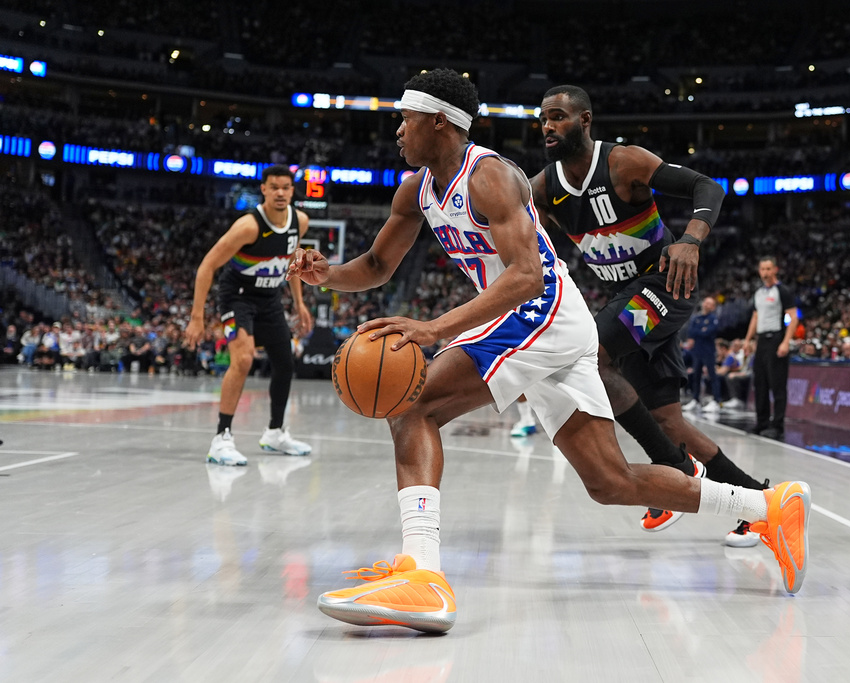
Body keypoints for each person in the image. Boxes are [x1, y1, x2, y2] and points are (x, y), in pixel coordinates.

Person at [288, 69, 811, 634]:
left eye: (406, 118)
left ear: (438, 121)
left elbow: (526, 277)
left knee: (413, 404)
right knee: (609, 483)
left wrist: (437, 328)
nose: (398, 129)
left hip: (539, 311)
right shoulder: (416, 189)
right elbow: (376, 266)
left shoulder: (489, 176)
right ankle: (770, 509)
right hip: (552, 324)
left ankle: (423, 574)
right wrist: (326, 275)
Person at [530, 85, 768, 538]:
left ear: (585, 120)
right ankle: (759, 502)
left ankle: (673, 470)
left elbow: (707, 186)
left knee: (592, 353)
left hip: (664, 287)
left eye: (558, 116)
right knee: (667, 420)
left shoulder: (624, 162)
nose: (547, 126)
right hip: (624, 301)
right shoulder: (542, 188)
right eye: (543, 118)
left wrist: (691, 240)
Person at [184, 165, 314, 466]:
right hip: (237, 298)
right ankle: (221, 438)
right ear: (264, 190)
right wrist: (196, 316)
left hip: (269, 299)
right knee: (242, 360)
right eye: (274, 187)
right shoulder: (249, 226)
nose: (280, 192)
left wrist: (299, 302)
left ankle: (276, 432)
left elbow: (292, 261)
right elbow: (207, 266)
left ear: (292, 191)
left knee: (284, 362)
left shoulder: (300, 222)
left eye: (286, 187)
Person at [742, 257, 797, 439]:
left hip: (776, 337)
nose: (765, 272)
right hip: (761, 341)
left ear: (775, 270)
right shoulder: (758, 293)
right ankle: (762, 422)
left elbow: (793, 317)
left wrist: (786, 342)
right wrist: (748, 340)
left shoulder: (783, 291)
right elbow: (755, 317)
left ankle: (778, 425)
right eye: (762, 269)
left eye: (768, 269)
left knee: (777, 383)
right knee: (761, 383)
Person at [683, 297, 721, 413]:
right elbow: (691, 332)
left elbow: (709, 332)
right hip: (697, 351)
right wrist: (702, 331)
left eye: (710, 303)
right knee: (696, 376)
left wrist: (699, 332)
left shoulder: (713, 318)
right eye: (706, 302)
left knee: (712, 375)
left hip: (708, 351)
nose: (707, 305)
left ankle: (716, 401)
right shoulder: (695, 318)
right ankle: (695, 400)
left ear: (713, 307)